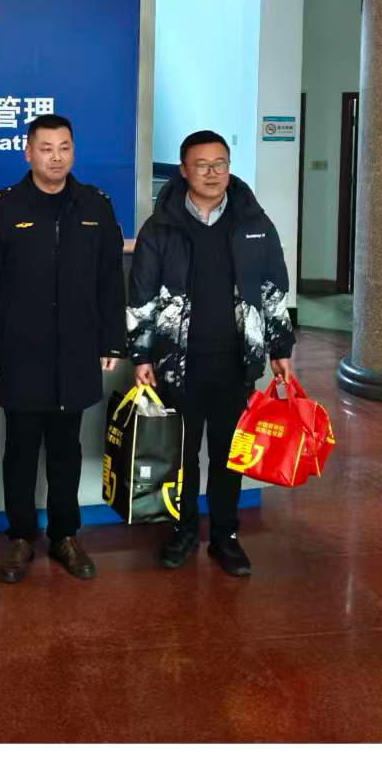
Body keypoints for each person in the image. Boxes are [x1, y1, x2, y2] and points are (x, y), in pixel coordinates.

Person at [127, 130, 295, 577]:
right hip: (176, 363)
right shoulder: (161, 227)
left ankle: (225, 538)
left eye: (220, 163)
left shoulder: (254, 222)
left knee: (228, 455)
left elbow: (273, 288)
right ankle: (182, 533)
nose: (212, 173)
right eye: (201, 165)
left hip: (236, 362)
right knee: (182, 456)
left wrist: (280, 346)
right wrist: (141, 355)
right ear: (184, 171)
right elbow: (141, 295)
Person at [0, 114, 126, 584]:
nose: (56, 157)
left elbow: (109, 280)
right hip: (20, 352)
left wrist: (112, 339)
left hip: (77, 350)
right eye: (46, 148)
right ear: (28, 153)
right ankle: (20, 538)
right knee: (19, 449)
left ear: (73, 151)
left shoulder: (95, 205)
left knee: (65, 449)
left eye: (64, 147)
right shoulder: (2, 207)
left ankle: (65, 535)